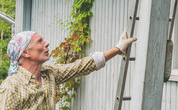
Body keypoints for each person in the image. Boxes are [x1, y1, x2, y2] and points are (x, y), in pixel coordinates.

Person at [0, 30, 136, 109]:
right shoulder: (12, 86)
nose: (46, 43)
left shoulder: (48, 74)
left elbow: (80, 66)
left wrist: (117, 49)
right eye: (39, 41)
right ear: (25, 53)